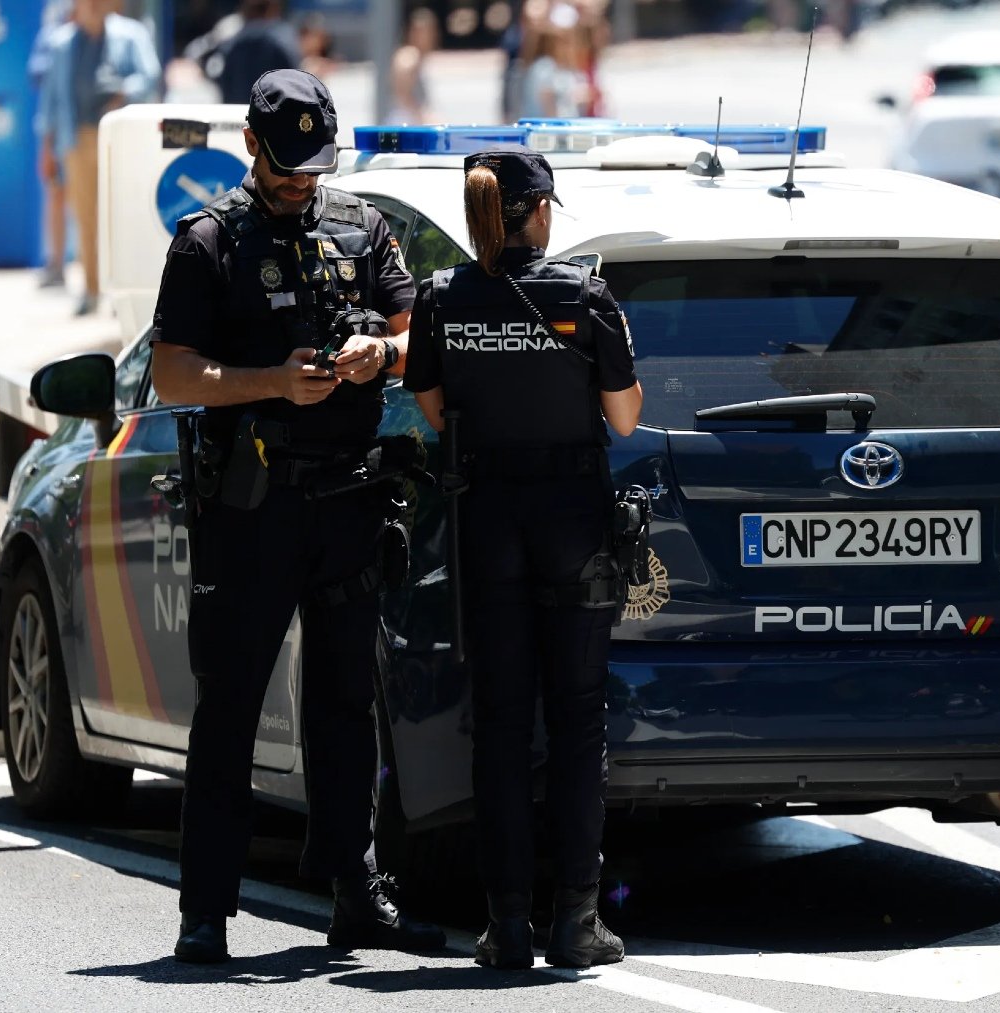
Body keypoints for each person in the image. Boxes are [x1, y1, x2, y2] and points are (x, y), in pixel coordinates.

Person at [149, 69, 444, 965]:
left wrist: (374, 354)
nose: (302, 181)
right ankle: (206, 910)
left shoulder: (363, 225)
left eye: (315, 165)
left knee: (346, 705)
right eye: (287, 165)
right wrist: (272, 382)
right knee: (230, 706)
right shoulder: (208, 242)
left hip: (349, 497)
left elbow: (413, 336)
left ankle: (357, 896)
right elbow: (172, 374)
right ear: (251, 145)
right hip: (252, 506)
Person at [403, 147, 642, 971]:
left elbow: (431, 405)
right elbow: (626, 419)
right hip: (572, 520)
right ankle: (577, 919)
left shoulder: (441, 298)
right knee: (577, 723)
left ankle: (506, 926)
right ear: (539, 212)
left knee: (501, 727)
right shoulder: (585, 296)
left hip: (486, 521)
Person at [33, 0, 159, 315]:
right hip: (77, 137)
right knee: (85, 215)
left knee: (122, 214)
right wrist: (47, 147)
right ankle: (91, 290)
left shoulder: (130, 34)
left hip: (120, 136)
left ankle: (123, 294)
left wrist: (122, 92)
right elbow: (51, 101)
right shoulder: (61, 42)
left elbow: (150, 75)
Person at [28, 0, 74, 291]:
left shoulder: (119, 32)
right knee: (57, 194)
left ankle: (100, 273)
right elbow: (37, 77)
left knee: (99, 201)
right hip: (61, 129)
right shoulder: (53, 34)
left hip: (99, 128)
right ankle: (56, 264)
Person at [209, 0, 304, 105]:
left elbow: (217, 74)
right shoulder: (283, 38)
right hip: (274, 114)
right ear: (273, 9)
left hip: (237, 115)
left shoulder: (232, 42)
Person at [391, 7, 440, 124]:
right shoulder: (409, 56)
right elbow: (402, 94)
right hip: (406, 122)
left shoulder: (420, 57)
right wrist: (422, 117)